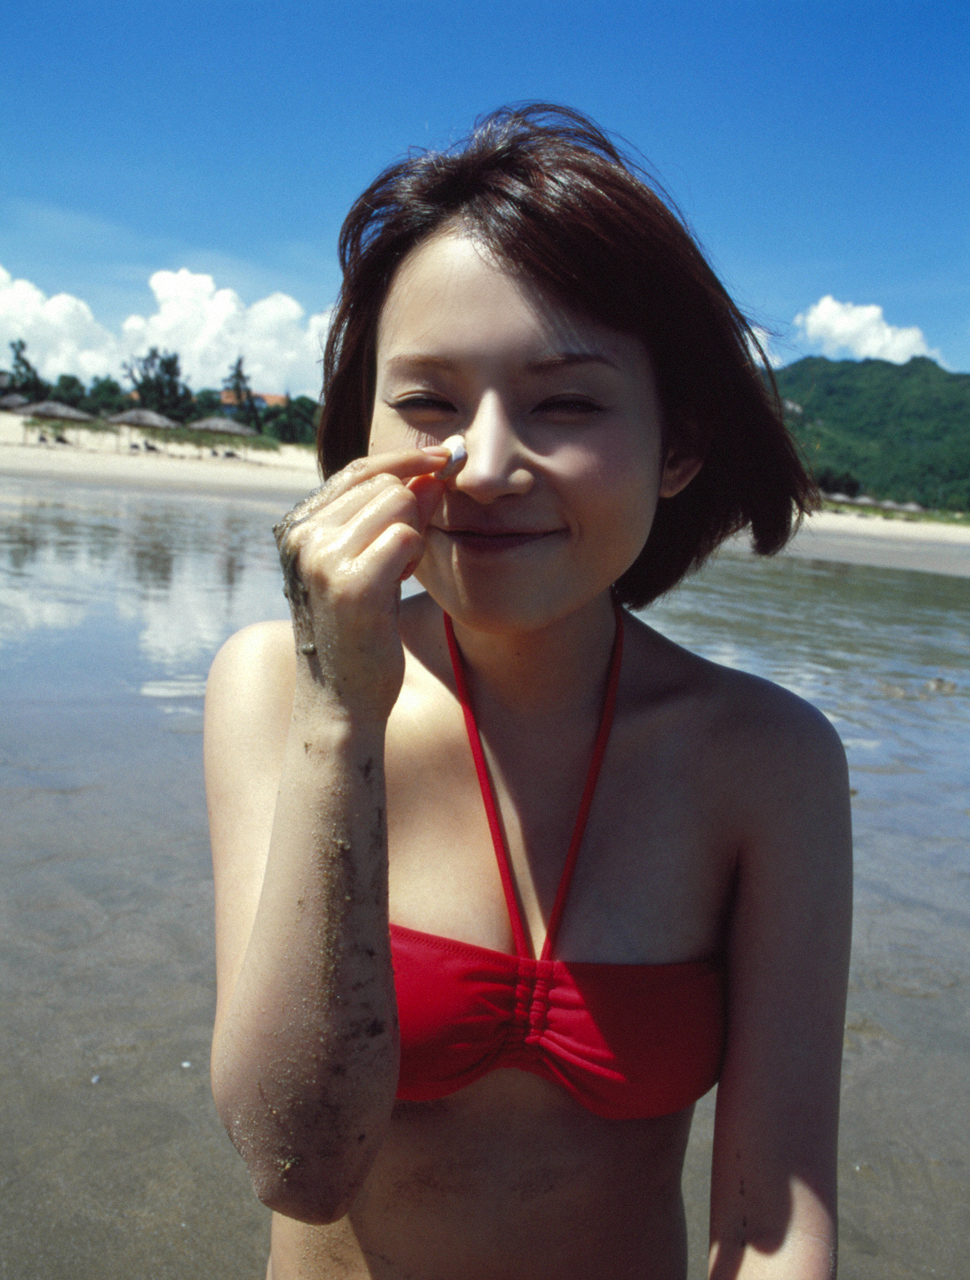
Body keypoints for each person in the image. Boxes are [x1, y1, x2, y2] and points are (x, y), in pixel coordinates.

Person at [204, 104, 852, 1280]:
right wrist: (339, 716)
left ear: (678, 447)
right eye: (427, 404)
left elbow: (772, 1217)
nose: (488, 466)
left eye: (566, 402)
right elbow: (295, 1161)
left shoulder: (767, 758)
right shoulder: (273, 688)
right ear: (357, 430)